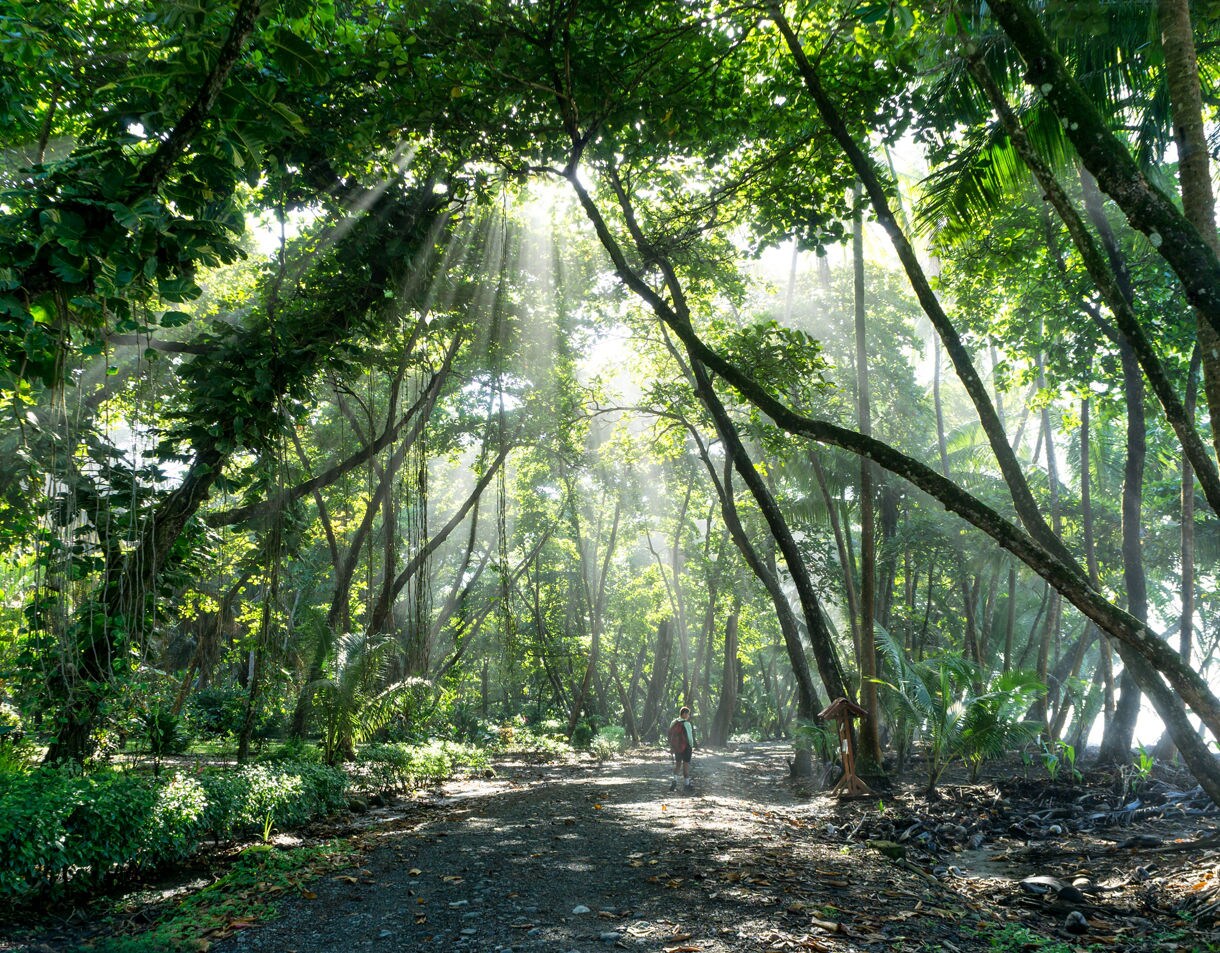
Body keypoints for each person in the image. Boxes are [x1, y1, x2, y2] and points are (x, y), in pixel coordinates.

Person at [667, 706, 695, 791]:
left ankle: (674, 780)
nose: (688, 716)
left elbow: (669, 735)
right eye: (688, 714)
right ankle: (686, 784)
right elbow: (690, 738)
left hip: (677, 747)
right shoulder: (687, 724)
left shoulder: (673, 722)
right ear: (684, 714)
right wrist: (691, 746)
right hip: (686, 747)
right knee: (686, 766)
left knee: (678, 765)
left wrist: (672, 747)